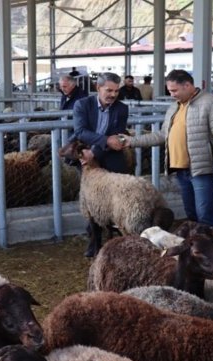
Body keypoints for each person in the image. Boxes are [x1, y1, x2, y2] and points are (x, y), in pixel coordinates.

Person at [122, 69, 213, 228]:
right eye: (170, 91)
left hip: (202, 168)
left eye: (174, 90)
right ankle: (196, 247)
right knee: (191, 211)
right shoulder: (174, 107)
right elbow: (162, 135)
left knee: (204, 212)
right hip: (180, 168)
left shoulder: (209, 102)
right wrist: (132, 141)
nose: (172, 94)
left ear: (187, 85)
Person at [71, 72, 128, 257]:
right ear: (98, 88)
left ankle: (118, 239)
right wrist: (96, 147)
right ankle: (94, 240)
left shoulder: (121, 108)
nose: (112, 95)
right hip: (85, 154)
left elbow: (116, 135)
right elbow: (81, 131)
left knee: (117, 196)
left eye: (116, 91)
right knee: (91, 200)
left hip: (107, 153)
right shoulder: (82, 104)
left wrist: (94, 152)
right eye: (109, 90)